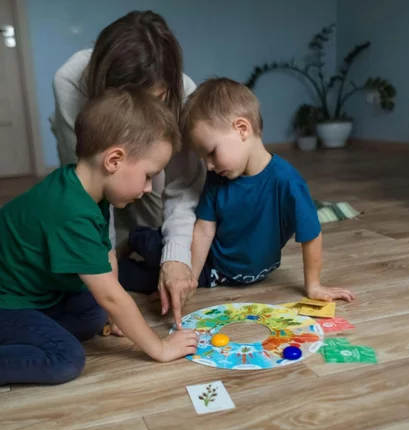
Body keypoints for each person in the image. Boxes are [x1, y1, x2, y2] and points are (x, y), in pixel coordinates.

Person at [0, 88, 198, 389]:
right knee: (64, 358)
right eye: (148, 175)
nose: (148, 188)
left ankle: (30, 333)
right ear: (114, 160)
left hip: (21, 295)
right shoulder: (71, 213)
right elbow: (112, 296)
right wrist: (158, 347)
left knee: (93, 315)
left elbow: (106, 259)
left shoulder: (82, 187)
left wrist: (114, 316)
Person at [125, 78, 354, 326]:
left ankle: (117, 269)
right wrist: (189, 276)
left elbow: (311, 234)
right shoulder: (216, 178)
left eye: (212, 153)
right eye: (203, 158)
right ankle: (134, 240)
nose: (208, 166)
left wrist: (314, 285)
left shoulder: (287, 182)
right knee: (156, 255)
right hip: (212, 266)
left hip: (228, 276)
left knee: (147, 281)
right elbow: (203, 230)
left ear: (242, 129)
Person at [52, 11, 204, 326]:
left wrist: (175, 258)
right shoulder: (70, 82)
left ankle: (131, 242)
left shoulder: (184, 92)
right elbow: (88, 192)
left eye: (158, 99)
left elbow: (182, 185)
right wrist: (108, 284)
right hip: (89, 178)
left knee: (157, 239)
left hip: (150, 170)